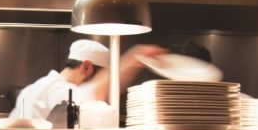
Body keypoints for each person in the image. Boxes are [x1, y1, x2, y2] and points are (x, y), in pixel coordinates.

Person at [9, 39, 166, 121]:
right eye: (102, 76)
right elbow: (93, 93)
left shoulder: (30, 90)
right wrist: (134, 58)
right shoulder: (58, 90)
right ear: (86, 67)